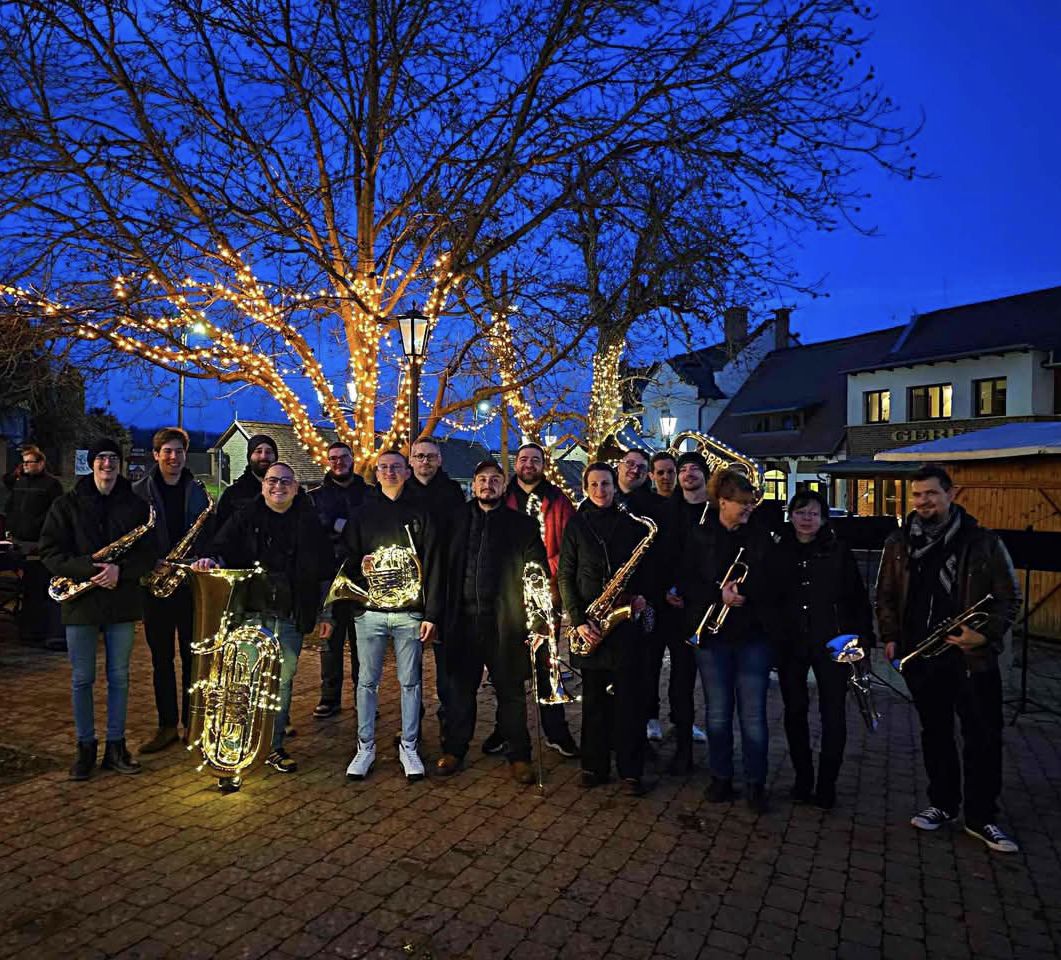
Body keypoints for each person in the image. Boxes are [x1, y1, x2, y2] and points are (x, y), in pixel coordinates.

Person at [876, 464, 1021, 852]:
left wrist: (984, 633)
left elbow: (1010, 598)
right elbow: (886, 594)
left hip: (970, 656)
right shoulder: (899, 542)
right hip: (922, 655)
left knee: (983, 737)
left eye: (931, 494)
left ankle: (981, 816)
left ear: (950, 493)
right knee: (935, 733)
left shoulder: (983, 541)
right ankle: (942, 803)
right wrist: (890, 637)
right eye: (918, 495)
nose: (924, 501)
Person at [194, 461, 333, 790]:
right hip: (250, 612)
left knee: (280, 686)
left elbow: (325, 572)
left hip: (289, 614)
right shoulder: (245, 516)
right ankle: (233, 753)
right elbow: (220, 547)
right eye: (272, 480)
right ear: (263, 485)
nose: (278, 486)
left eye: (286, 481)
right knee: (241, 683)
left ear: (296, 488)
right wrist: (211, 560)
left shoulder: (309, 522)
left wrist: (325, 615)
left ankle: (271, 747)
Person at [39, 438, 158, 781]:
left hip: (121, 601)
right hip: (80, 602)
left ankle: (116, 746)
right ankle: (85, 747)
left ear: (119, 464)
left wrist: (122, 571)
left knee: (119, 678)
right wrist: (88, 570)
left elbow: (148, 553)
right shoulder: (67, 504)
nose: (107, 464)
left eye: (112, 458)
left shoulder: (136, 505)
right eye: (101, 458)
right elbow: (50, 552)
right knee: (82, 679)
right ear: (91, 463)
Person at [435, 460, 548, 783]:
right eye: (482, 479)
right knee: (460, 692)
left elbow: (537, 571)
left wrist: (537, 616)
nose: (488, 485)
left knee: (510, 692)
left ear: (504, 484)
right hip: (463, 621)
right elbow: (440, 571)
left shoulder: (522, 525)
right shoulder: (454, 521)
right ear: (473, 483)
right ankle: (455, 749)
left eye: (495, 479)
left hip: (506, 624)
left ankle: (519, 755)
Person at [671, 468, 775, 813]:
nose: (748, 509)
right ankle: (721, 777)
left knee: (754, 716)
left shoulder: (760, 535)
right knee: (717, 713)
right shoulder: (700, 535)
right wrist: (719, 594)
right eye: (742, 504)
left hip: (753, 636)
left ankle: (756, 783)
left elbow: (774, 581)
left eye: (750, 503)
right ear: (723, 502)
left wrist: (744, 591)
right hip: (713, 637)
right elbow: (686, 580)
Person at [341, 450, 443, 783]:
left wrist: (431, 613)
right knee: (366, 682)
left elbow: (433, 565)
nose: (390, 472)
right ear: (376, 472)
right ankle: (365, 745)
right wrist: (362, 566)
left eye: (396, 467)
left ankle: (409, 745)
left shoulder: (422, 513)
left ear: (407, 470)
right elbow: (346, 557)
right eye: (384, 467)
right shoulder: (362, 513)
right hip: (369, 611)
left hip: (408, 612)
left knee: (410, 683)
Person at [769, 489, 873, 809]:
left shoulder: (838, 550)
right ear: (791, 515)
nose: (806, 519)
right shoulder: (779, 549)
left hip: (832, 641)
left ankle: (826, 785)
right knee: (795, 712)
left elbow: (857, 597)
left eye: (813, 513)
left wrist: (862, 642)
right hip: (791, 643)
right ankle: (803, 780)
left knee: (833, 714)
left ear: (823, 517)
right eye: (800, 512)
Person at [559, 462, 655, 795]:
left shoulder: (632, 524)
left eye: (606, 484)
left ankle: (631, 771)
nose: (601, 490)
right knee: (594, 702)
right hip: (591, 625)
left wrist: (641, 598)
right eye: (594, 484)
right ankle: (593, 766)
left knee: (630, 701)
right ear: (585, 488)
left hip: (625, 624)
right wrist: (578, 618)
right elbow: (566, 576)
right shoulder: (576, 524)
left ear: (615, 487)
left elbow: (645, 571)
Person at [132, 427, 213, 754]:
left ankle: (192, 724)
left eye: (178, 451)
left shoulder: (198, 491)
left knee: (194, 659)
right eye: (166, 451)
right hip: (155, 586)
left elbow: (210, 533)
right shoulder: (138, 492)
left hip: (190, 586)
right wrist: (151, 563)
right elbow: (131, 537)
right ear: (155, 454)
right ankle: (166, 726)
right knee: (161, 660)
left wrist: (205, 557)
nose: (173, 457)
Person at [502, 442, 580, 758]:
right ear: (516, 464)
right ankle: (505, 730)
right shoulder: (503, 500)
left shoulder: (558, 500)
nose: (529, 464)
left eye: (535, 459)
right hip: (507, 595)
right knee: (506, 667)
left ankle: (555, 731)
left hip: (546, 593)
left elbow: (570, 547)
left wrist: (542, 569)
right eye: (523, 459)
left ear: (543, 465)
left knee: (547, 665)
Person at [652, 452, 714, 770]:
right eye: (683, 469)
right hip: (673, 608)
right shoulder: (666, 512)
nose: (688, 474)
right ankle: (684, 746)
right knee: (680, 677)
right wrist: (666, 590)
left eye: (695, 469)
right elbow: (658, 557)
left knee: (714, 681)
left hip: (708, 608)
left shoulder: (717, 511)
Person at [405, 436, 465, 737]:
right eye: (419, 456)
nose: (425, 461)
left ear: (439, 460)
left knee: (447, 665)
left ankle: (448, 721)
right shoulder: (401, 492)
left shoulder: (452, 492)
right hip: (409, 588)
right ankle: (411, 721)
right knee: (409, 664)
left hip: (445, 583)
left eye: (430, 456)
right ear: (411, 460)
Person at [309, 441, 367, 719]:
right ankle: (329, 697)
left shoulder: (369, 493)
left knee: (362, 643)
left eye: (343, 457)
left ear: (352, 459)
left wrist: (336, 524)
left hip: (362, 578)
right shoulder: (316, 496)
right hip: (329, 577)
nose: (339, 462)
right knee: (330, 640)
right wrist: (343, 525)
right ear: (327, 461)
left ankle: (362, 696)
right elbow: (316, 529)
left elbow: (370, 527)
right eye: (333, 458)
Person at [2, 444, 64, 649]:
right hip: (18, 541)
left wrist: (42, 535)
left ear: (42, 463)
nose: (26, 466)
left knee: (38, 587)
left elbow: (54, 514)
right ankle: (25, 630)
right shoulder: (19, 483)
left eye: (30, 462)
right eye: (24, 462)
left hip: (38, 543)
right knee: (26, 588)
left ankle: (38, 631)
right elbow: (10, 507)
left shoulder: (51, 485)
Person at [214, 433, 278, 529]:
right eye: (258, 451)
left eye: (269, 452)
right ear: (249, 457)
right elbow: (220, 534)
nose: (264, 456)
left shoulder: (289, 491)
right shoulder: (233, 495)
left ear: (275, 457)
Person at [615, 448, 657, 515]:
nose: (635, 471)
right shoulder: (599, 491)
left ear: (646, 474)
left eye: (642, 467)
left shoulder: (654, 505)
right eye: (630, 464)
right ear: (619, 466)